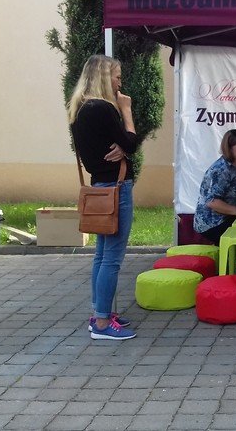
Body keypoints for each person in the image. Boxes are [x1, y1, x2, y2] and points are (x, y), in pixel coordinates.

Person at [68, 55, 139, 340]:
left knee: (101, 254)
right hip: (116, 187)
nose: (120, 82)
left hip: (99, 184)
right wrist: (126, 110)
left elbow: (110, 146)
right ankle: (101, 323)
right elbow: (130, 142)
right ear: (103, 77)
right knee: (112, 257)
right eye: (117, 76)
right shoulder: (104, 109)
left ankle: (100, 311)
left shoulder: (81, 108)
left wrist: (121, 147)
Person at [194, 128, 236, 244]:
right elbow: (212, 202)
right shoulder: (220, 170)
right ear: (230, 149)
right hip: (212, 223)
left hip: (227, 215)